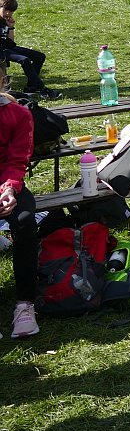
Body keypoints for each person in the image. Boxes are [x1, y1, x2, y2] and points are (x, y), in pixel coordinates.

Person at [1, 91, 40, 336]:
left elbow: (17, 160)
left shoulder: (18, 114)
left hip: (6, 183)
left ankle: (25, 303)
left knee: (25, 221)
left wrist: (8, 189)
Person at [0, 0, 62, 99]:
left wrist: (11, 27)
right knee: (24, 60)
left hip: (6, 47)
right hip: (1, 51)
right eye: (6, 10)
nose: (8, 13)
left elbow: (11, 44)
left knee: (40, 57)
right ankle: (43, 89)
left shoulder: (5, 21)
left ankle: (31, 87)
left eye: (11, 11)